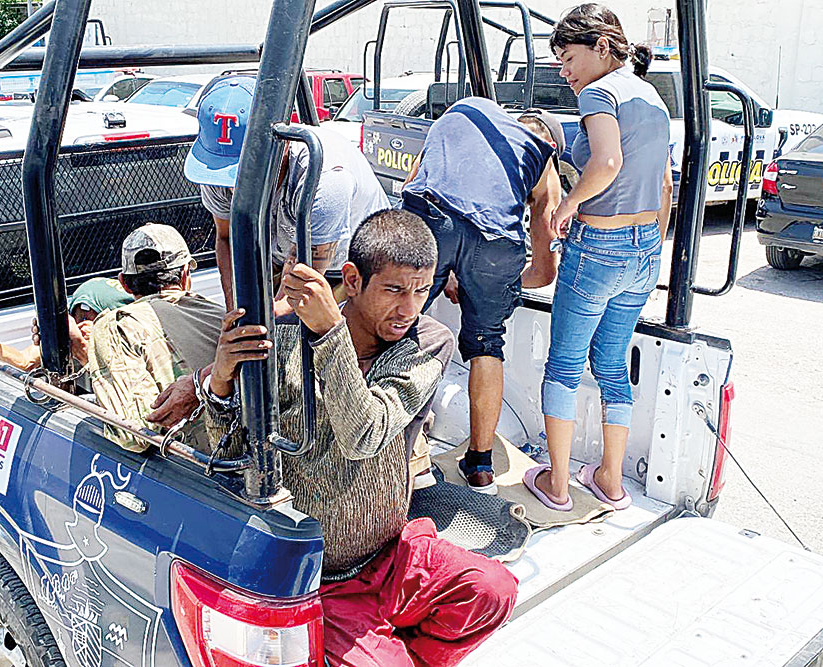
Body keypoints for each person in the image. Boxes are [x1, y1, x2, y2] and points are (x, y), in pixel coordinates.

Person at [200, 209, 518, 666]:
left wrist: (331, 333)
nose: (408, 309)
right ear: (351, 279)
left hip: (392, 555)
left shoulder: (427, 341)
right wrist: (222, 384)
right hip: (320, 579)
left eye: (421, 290)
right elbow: (232, 455)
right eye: (393, 290)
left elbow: (363, 434)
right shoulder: (284, 341)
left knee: (494, 591)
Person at [525, 3, 673, 512]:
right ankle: (611, 481)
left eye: (568, 58)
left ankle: (559, 484)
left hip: (598, 247)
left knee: (564, 365)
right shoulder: (651, 96)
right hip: (644, 250)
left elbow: (607, 161)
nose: (564, 72)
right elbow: (663, 184)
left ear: (602, 47)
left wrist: (568, 203)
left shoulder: (598, 93)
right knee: (611, 362)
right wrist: (647, 246)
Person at [401, 98, 564, 493]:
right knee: (487, 345)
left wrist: (453, 268)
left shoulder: (468, 111)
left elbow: (412, 185)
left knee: (399, 325)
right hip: (498, 246)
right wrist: (489, 282)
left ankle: (401, 449)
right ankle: (480, 467)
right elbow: (544, 272)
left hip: (432, 218)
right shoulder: (542, 159)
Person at [183, 74, 389, 309]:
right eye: (229, 173)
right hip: (284, 252)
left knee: (324, 336)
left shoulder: (326, 177)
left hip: (348, 268)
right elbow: (227, 237)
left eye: (244, 172)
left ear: (281, 144)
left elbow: (303, 281)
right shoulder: (215, 169)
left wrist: (262, 325)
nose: (233, 186)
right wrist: (235, 311)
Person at [89, 223, 225, 452]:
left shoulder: (116, 326)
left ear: (124, 283)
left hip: (190, 475)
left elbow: (132, 436)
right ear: (185, 275)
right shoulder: (220, 315)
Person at [0, 277, 133, 371]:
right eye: (78, 319)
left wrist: (85, 354)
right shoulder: (73, 336)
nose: (81, 327)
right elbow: (24, 361)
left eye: (90, 321)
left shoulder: (138, 355)